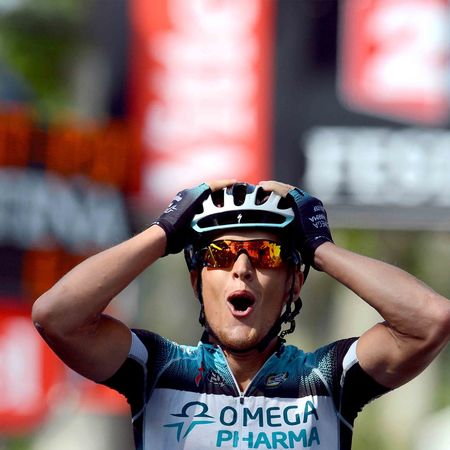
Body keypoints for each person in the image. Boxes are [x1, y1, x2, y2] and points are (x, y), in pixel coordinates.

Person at [32, 180, 450, 450]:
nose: (243, 268)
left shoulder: (324, 379)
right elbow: (56, 316)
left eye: (265, 254)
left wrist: (320, 248)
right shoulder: (160, 369)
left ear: (294, 285)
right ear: (197, 282)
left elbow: (429, 320)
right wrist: (163, 232)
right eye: (222, 254)